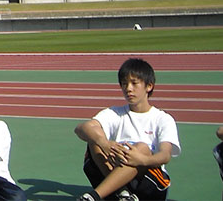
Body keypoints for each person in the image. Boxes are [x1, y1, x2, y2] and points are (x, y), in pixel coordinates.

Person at [74, 58, 181, 201]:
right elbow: (81, 128)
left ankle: (94, 196)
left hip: (150, 182)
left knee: (142, 148)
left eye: (134, 83)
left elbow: (165, 155)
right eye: (124, 84)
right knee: (94, 138)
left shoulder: (162, 119)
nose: (128, 89)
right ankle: (121, 192)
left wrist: (141, 159)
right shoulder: (115, 113)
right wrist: (105, 144)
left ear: (149, 86)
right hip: (119, 177)